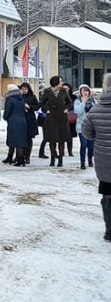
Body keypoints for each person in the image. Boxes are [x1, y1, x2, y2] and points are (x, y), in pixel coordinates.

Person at [81, 73, 111, 242]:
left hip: (105, 162)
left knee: (107, 195)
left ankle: (109, 231)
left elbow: (87, 133)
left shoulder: (95, 110)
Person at [39, 76, 73, 167]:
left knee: (61, 140)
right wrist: (46, 110)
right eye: (60, 81)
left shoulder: (63, 91)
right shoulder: (47, 91)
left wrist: (66, 109)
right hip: (51, 118)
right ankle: (53, 158)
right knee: (52, 140)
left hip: (62, 117)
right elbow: (41, 103)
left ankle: (60, 160)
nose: (62, 83)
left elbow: (70, 102)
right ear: (56, 82)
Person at [3, 84, 29, 166]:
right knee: (20, 140)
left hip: (13, 121)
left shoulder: (10, 99)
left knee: (14, 140)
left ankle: (20, 160)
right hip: (22, 120)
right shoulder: (21, 98)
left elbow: (7, 111)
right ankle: (19, 159)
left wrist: (5, 117)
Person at [75, 84, 98, 169]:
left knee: (91, 145)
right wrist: (83, 102)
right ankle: (82, 162)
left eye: (87, 90)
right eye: (83, 91)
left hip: (92, 127)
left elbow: (97, 110)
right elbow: (78, 112)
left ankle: (90, 160)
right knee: (83, 145)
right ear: (80, 91)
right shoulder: (77, 101)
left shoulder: (93, 100)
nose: (85, 92)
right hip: (81, 126)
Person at [19, 82, 40, 164]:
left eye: (25, 89)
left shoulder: (32, 97)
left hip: (30, 120)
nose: (24, 91)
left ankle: (27, 156)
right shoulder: (18, 97)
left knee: (29, 138)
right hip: (21, 119)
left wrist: (30, 107)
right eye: (22, 89)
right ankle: (20, 155)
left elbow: (37, 106)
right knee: (21, 139)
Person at [63, 82, 78, 157]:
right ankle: (61, 152)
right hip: (61, 117)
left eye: (67, 89)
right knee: (61, 135)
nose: (66, 90)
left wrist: (69, 111)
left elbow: (75, 106)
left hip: (71, 118)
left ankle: (70, 151)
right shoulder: (60, 96)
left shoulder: (73, 97)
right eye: (64, 88)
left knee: (70, 136)